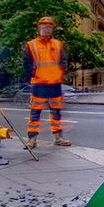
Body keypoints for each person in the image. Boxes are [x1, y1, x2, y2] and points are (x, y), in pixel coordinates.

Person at [23, 16, 71, 148]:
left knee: (56, 112)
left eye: (49, 27)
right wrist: (33, 76)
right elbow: (26, 64)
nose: (47, 29)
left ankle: (58, 138)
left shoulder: (57, 44)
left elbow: (63, 61)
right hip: (39, 83)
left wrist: (61, 73)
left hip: (55, 83)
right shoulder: (31, 45)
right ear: (39, 29)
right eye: (44, 27)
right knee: (35, 112)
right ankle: (32, 140)